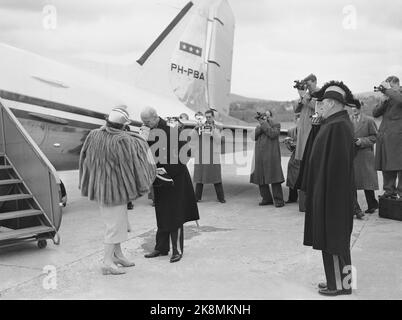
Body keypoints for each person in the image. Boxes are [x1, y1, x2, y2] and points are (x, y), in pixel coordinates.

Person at [79, 106, 156, 275]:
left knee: (119, 223)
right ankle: (107, 262)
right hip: (113, 190)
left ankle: (117, 255)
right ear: (122, 126)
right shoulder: (122, 141)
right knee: (113, 226)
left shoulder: (94, 135)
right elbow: (135, 158)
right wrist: (143, 138)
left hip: (102, 187)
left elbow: (84, 157)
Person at [301, 81, 355, 296]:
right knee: (333, 240)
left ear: (332, 103)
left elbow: (338, 169)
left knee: (334, 240)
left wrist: (327, 197)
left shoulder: (338, 126)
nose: (319, 107)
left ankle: (339, 286)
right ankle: (340, 281)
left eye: (322, 103)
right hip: (328, 193)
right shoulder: (332, 123)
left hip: (333, 196)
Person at [141, 107, 199, 263]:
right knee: (161, 213)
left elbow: (186, 155)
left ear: (154, 118)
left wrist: (167, 171)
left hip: (176, 179)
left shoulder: (172, 130)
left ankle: (177, 250)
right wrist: (142, 140)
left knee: (175, 215)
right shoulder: (148, 132)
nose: (145, 124)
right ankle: (161, 248)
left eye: (146, 121)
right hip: (159, 179)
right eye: (143, 122)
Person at [372, 76, 402, 199]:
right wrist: (383, 100)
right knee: (387, 166)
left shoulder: (399, 95)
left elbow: (399, 100)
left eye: (390, 86)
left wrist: (387, 90)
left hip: (398, 139)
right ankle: (389, 191)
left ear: (396, 84)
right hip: (385, 138)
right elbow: (375, 113)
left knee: (400, 166)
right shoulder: (388, 97)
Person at [250, 110, 285, 207]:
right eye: (264, 116)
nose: (266, 118)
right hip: (260, 156)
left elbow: (273, 134)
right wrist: (261, 124)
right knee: (260, 178)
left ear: (271, 117)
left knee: (275, 178)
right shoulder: (260, 126)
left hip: (271, 156)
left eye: (267, 116)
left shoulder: (276, 124)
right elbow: (253, 137)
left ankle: (279, 200)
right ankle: (266, 198)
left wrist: (264, 124)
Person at [350, 99, 379, 217]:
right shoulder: (348, 120)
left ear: (361, 106)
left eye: (356, 106)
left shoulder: (369, 120)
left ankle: (372, 205)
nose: (354, 109)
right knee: (353, 182)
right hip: (353, 155)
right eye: (352, 107)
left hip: (365, 154)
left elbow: (375, 137)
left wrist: (361, 141)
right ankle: (355, 208)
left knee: (367, 182)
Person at [191, 109, 226, 203]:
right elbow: (191, 138)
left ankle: (221, 198)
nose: (208, 119)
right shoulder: (200, 126)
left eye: (210, 117)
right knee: (200, 177)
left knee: (216, 177)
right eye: (206, 117)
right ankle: (197, 197)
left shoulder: (218, 127)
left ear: (213, 117)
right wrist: (195, 129)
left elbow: (220, 141)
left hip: (213, 156)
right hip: (202, 155)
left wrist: (212, 131)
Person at [284, 114, 300, 203]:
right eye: (297, 120)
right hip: (294, 156)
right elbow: (290, 149)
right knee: (291, 175)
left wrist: (297, 145)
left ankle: (304, 198)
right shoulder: (291, 131)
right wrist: (288, 144)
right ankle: (292, 198)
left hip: (304, 156)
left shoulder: (308, 130)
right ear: (295, 121)